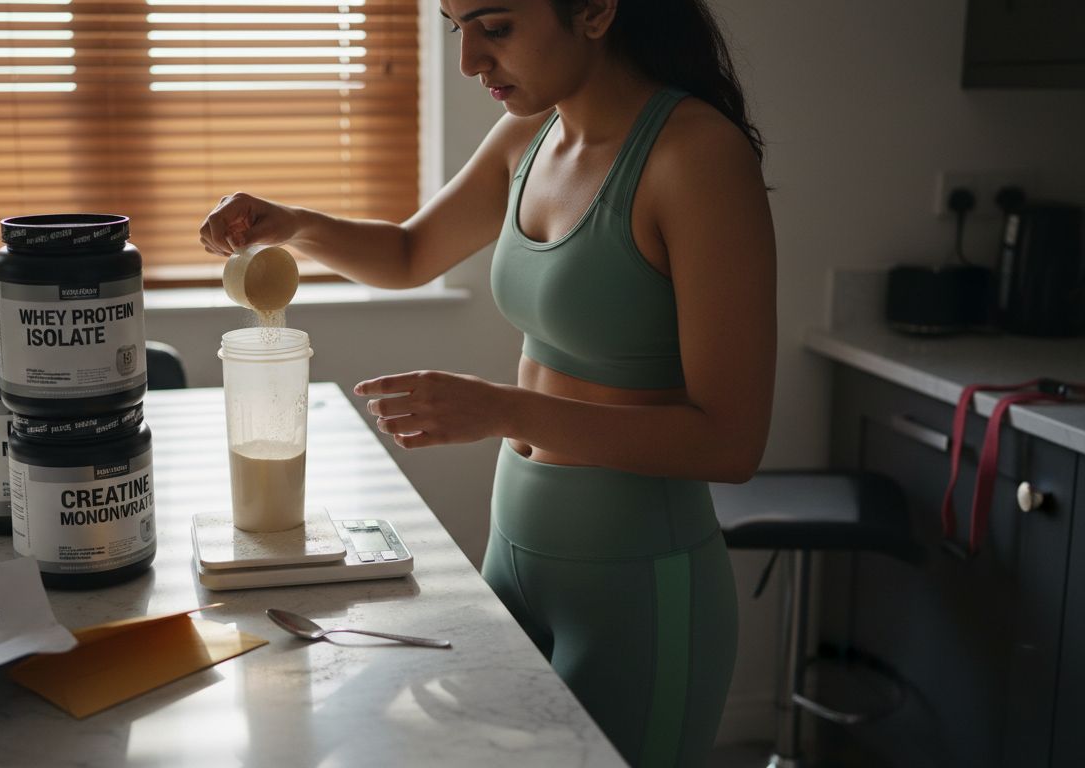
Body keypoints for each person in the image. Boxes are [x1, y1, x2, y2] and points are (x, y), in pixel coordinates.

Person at [200, 0, 775, 763]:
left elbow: (729, 442)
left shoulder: (697, 157)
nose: (470, 59)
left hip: (640, 587)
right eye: (456, 27)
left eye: (495, 27)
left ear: (597, 10)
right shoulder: (529, 135)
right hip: (515, 553)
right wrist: (294, 223)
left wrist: (502, 409)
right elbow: (409, 254)